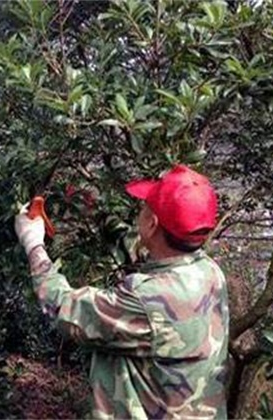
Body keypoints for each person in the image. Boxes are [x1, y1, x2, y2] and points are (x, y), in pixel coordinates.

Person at [14, 165, 229, 419]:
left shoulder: (145, 300)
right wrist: (97, 213)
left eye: (144, 205)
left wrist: (33, 243)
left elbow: (62, 306)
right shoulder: (211, 273)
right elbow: (144, 249)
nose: (140, 209)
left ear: (151, 224)